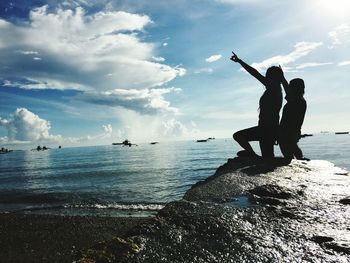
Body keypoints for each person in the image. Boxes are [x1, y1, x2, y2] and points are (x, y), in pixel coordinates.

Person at [230, 52, 283, 159]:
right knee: (267, 157)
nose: (265, 77)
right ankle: (254, 156)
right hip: (267, 127)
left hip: (267, 128)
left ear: (272, 76)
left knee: (238, 135)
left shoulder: (274, 87)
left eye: (268, 74)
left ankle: (253, 155)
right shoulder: (275, 89)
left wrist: (240, 61)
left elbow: (255, 74)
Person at [279, 76, 309, 162]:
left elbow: (286, 90)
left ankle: (300, 161)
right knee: (293, 148)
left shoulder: (297, 100)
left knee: (289, 154)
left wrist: (283, 79)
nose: (289, 87)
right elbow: (287, 90)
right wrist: (283, 79)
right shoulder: (299, 99)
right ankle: (301, 160)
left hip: (288, 132)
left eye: (290, 86)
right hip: (291, 131)